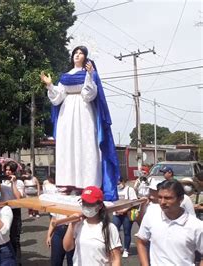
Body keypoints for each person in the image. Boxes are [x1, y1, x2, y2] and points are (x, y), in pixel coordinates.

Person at [40, 46, 120, 201]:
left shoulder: (89, 74)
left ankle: (87, 184)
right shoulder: (65, 76)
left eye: (80, 53)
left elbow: (89, 95)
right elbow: (58, 97)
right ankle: (66, 183)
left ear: (86, 57)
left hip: (84, 111)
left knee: (86, 146)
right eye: (75, 53)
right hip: (66, 113)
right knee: (66, 146)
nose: (77, 55)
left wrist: (90, 76)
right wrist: (50, 85)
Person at [136, 179, 202, 266]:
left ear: (181, 199)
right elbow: (141, 241)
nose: (162, 202)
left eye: (168, 198)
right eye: (160, 197)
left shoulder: (196, 226)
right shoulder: (151, 213)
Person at [63, 186, 122, 265]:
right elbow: (67, 247)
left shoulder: (109, 228)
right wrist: (71, 225)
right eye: (84, 203)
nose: (86, 206)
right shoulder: (78, 224)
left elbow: (115, 259)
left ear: (100, 205)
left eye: (90, 204)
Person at [1, 161, 25, 265]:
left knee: (15, 238)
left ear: (14, 171)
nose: (7, 172)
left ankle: (16, 261)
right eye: (6, 170)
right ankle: (7, 260)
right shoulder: (2, 181)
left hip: (14, 211)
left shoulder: (19, 182)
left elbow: (18, 197)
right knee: (4, 236)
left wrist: (13, 183)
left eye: (9, 170)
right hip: (3, 210)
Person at [112, 177, 137, 258]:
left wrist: (125, 210)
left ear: (123, 182)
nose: (118, 185)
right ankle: (118, 247)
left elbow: (134, 202)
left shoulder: (130, 189)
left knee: (127, 232)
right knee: (114, 230)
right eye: (116, 183)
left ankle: (126, 249)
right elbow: (112, 201)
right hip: (117, 214)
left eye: (119, 183)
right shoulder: (114, 190)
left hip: (127, 214)